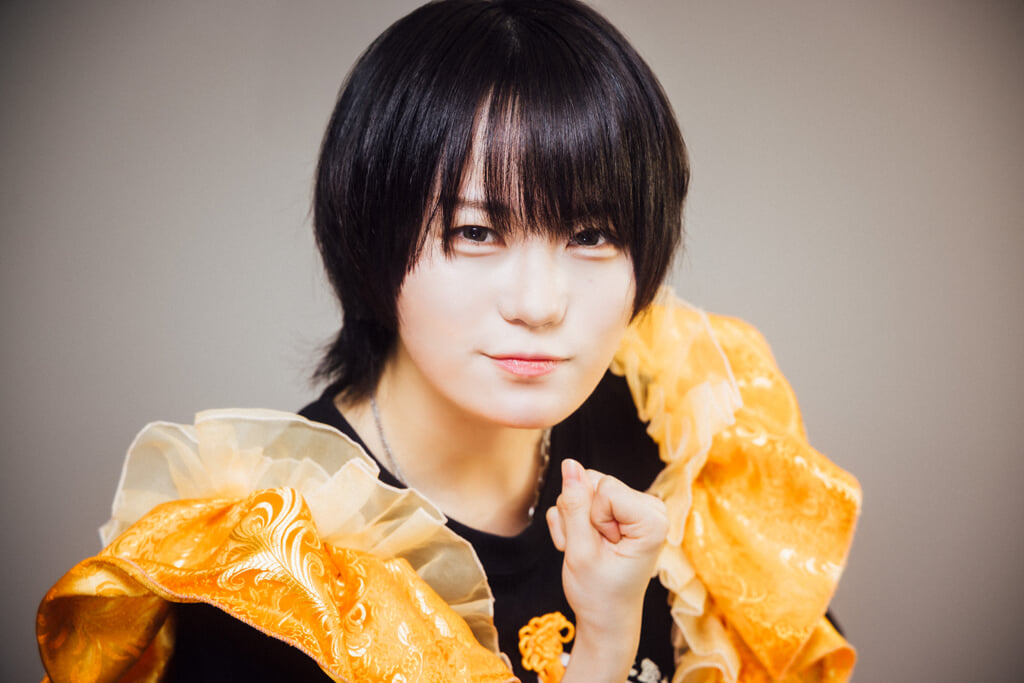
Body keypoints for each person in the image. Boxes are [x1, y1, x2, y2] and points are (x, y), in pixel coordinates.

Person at [36, 2, 861, 682]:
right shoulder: (276, 576)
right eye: (475, 232)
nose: (539, 304)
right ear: (368, 234)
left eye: (590, 235)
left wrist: (616, 621)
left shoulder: (676, 437)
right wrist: (604, 648)